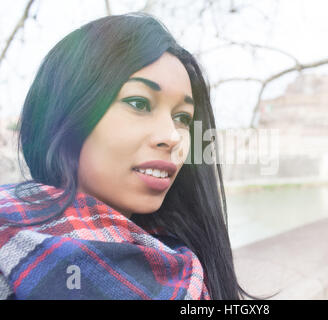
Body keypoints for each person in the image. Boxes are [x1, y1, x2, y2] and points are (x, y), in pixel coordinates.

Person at [0, 12, 257, 300]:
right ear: (67, 114)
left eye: (182, 117)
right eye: (139, 103)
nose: (172, 136)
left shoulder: (187, 269)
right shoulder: (7, 244)